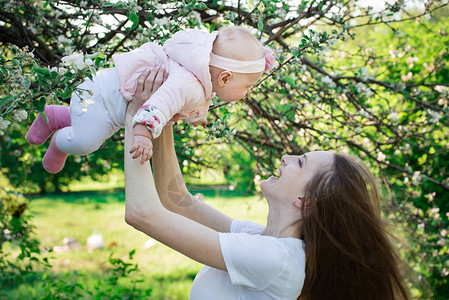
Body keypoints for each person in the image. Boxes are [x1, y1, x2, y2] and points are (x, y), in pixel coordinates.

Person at [123, 69, 411, 300]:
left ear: (306, 200)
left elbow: (143, 214)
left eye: (300, 163)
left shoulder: (277, 260)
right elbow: (177, 201)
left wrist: (134, 114)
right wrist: (158, 115)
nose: (286, 157)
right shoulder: (263, 239)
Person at [26, 26, 276, 173]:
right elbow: (160, 105)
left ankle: (55, 116)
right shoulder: (190, 83)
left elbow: (177, 103)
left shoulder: (196, 74)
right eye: (248, 86)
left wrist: (194, 116)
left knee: (92, 124)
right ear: (224, 78)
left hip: (104, 98)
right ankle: (60, 142)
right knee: (85, 143)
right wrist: (144, 136)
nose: (248, 93)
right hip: (102, 99)